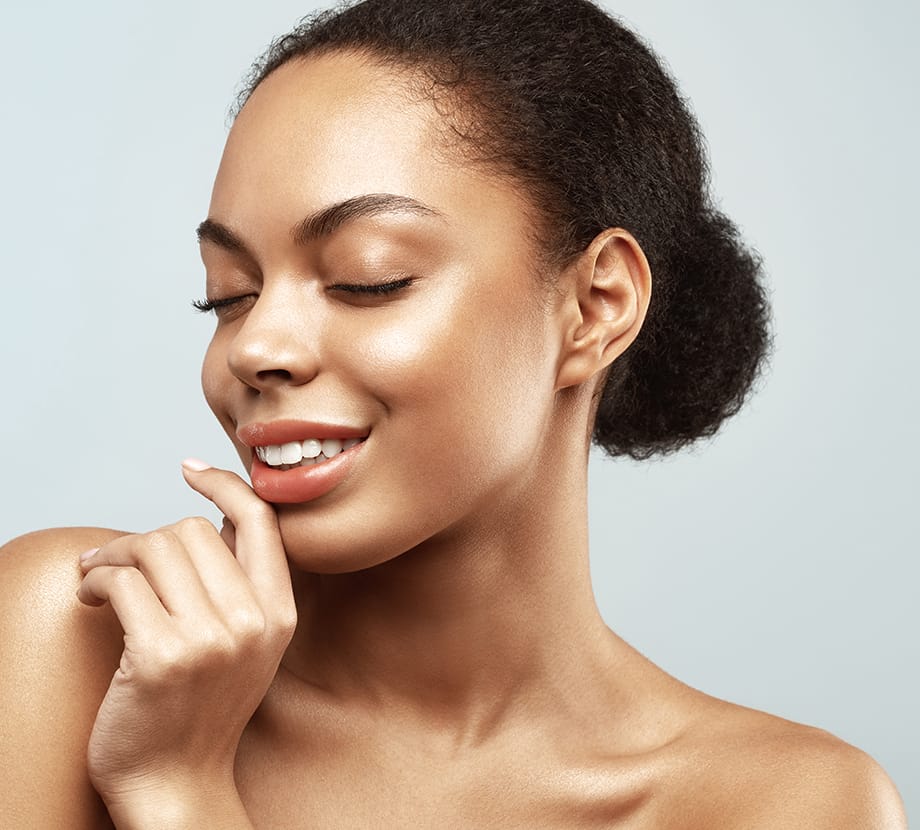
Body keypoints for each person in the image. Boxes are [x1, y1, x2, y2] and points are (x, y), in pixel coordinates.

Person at [0, 0, 907, 827]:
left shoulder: (786, 803)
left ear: (594, 308)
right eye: (229, 294)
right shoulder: (76, 635)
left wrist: (179, 792)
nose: (255, 347)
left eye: (368, 279)